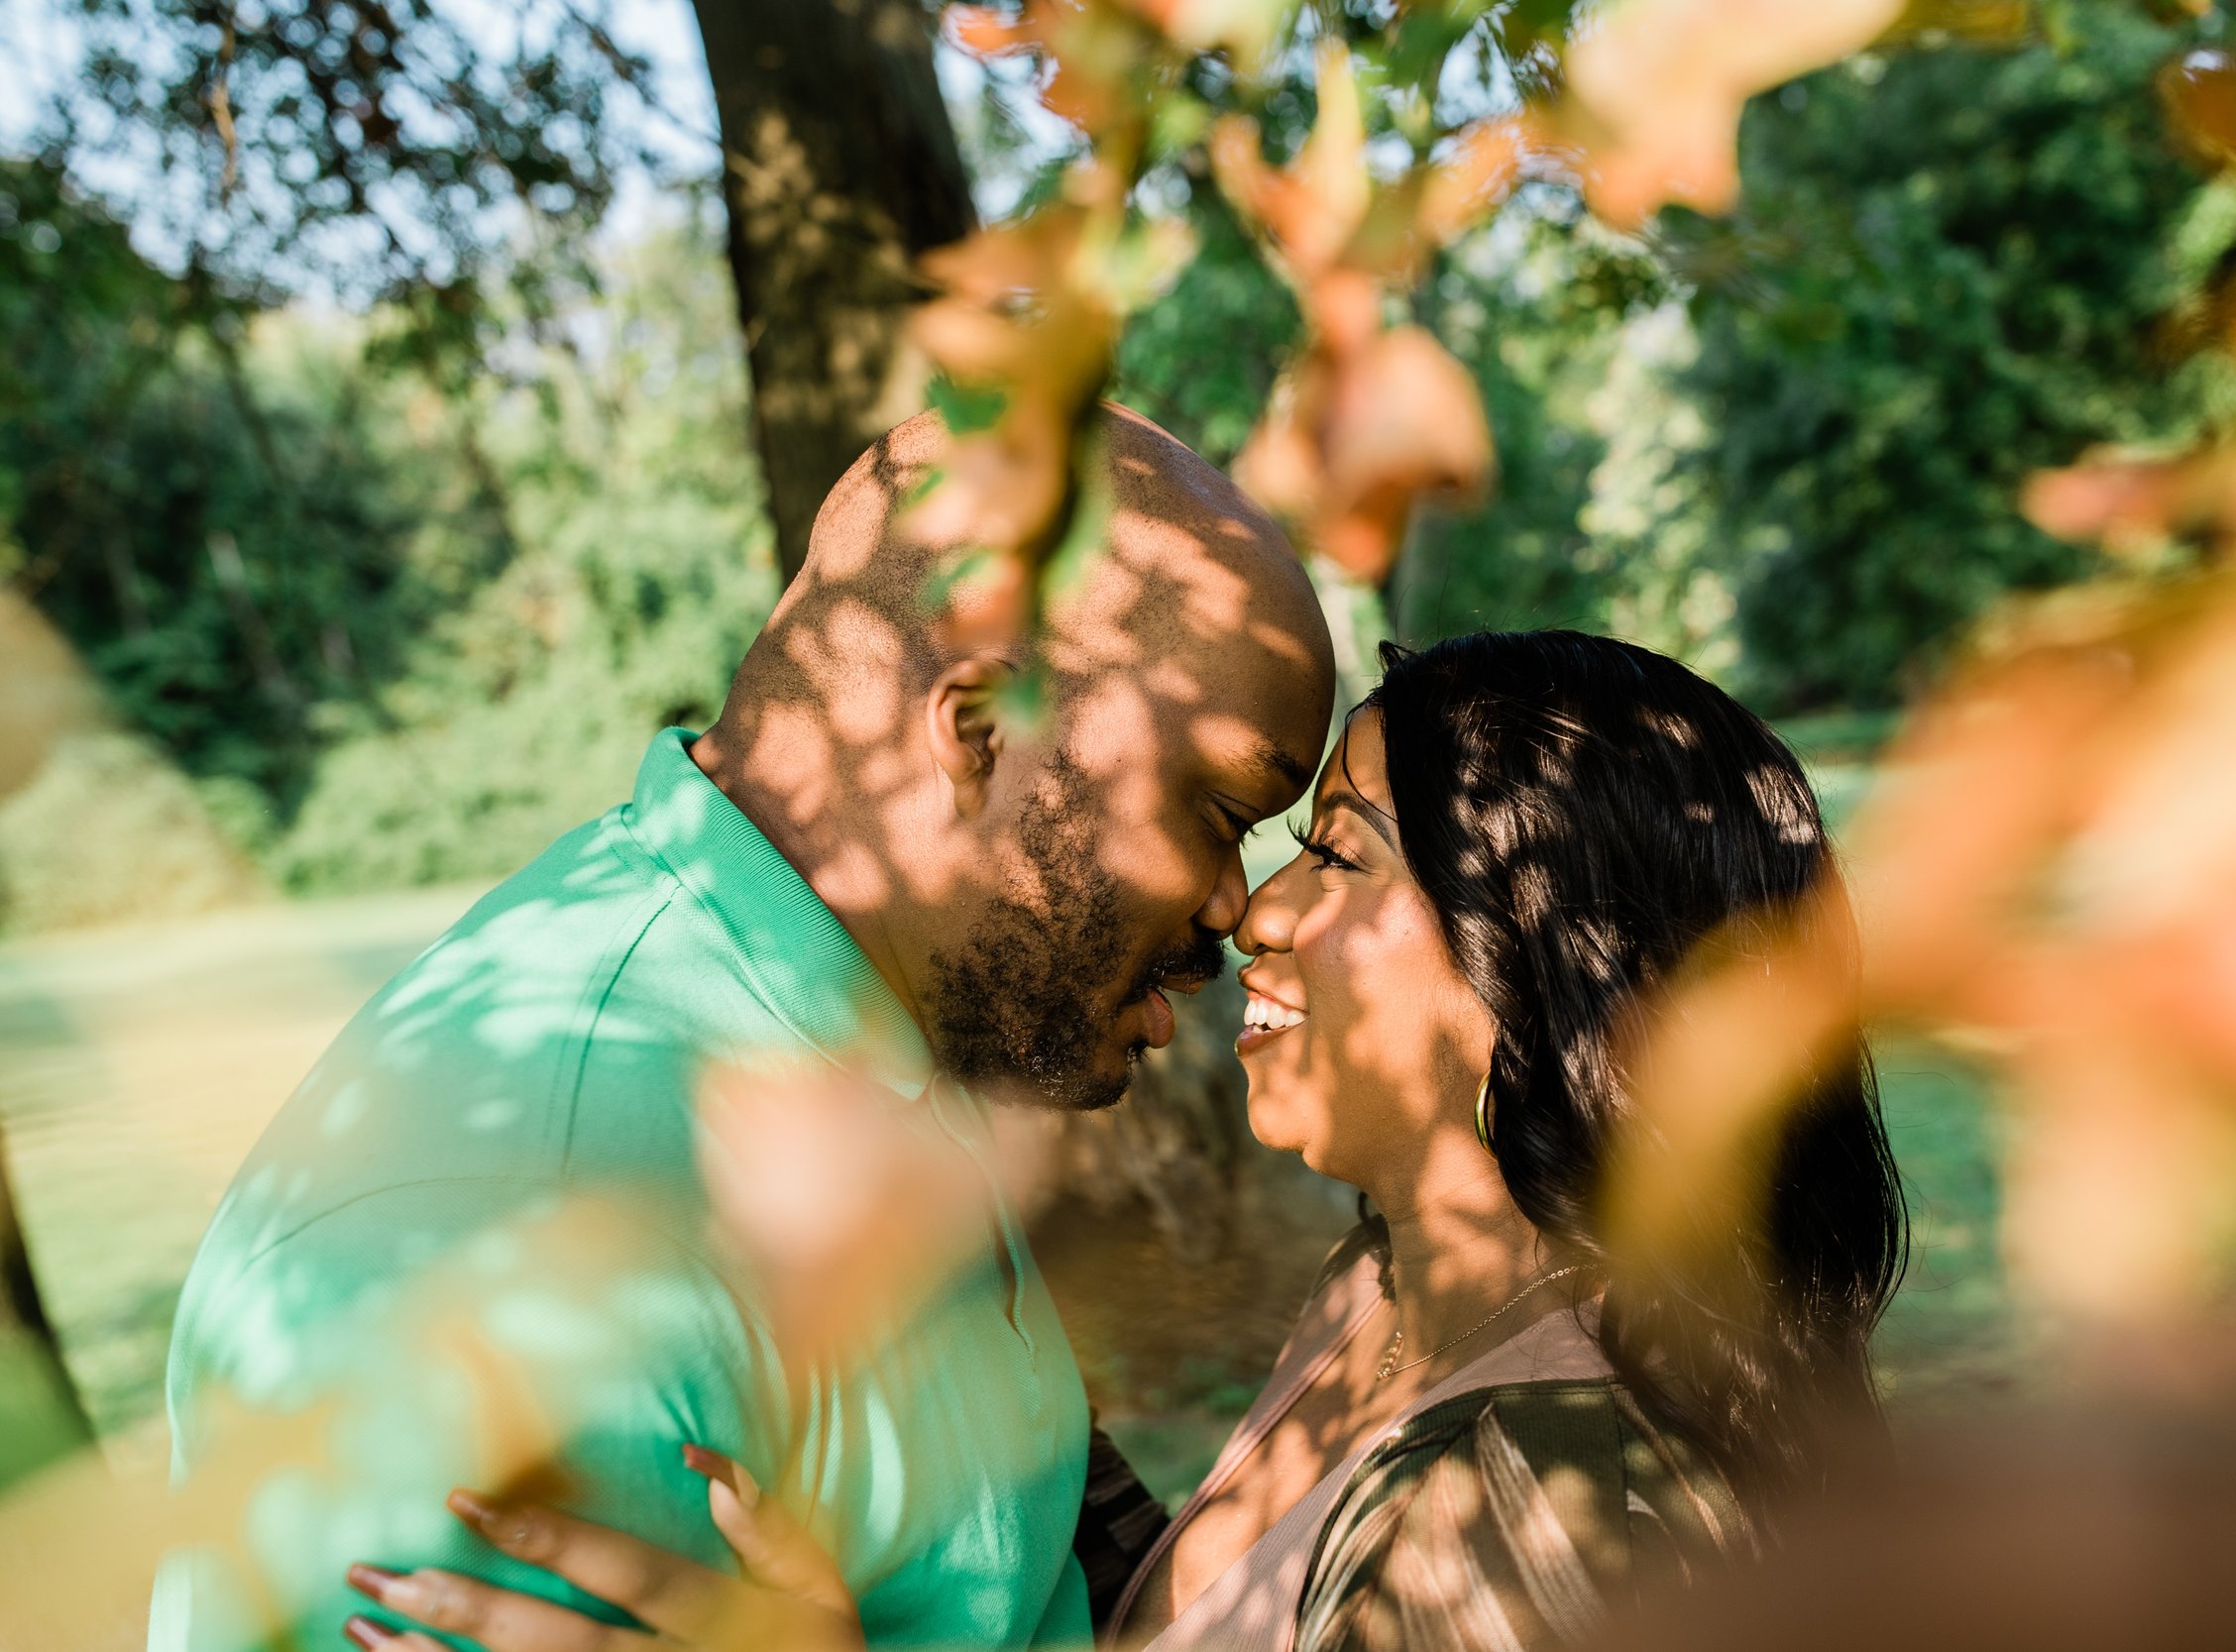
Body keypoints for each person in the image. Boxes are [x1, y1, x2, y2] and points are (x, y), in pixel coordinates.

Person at [336, 630, 1909, 1652]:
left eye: (1340, 857)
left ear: (1538, 965)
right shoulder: (1398, 1286)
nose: (1255, 914)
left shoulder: (1520, 1511)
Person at [148, 403, 1337, 1652]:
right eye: (1222, 809)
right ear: (981, 733)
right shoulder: (525, 1242)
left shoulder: (884, 1032)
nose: (1238, 909)